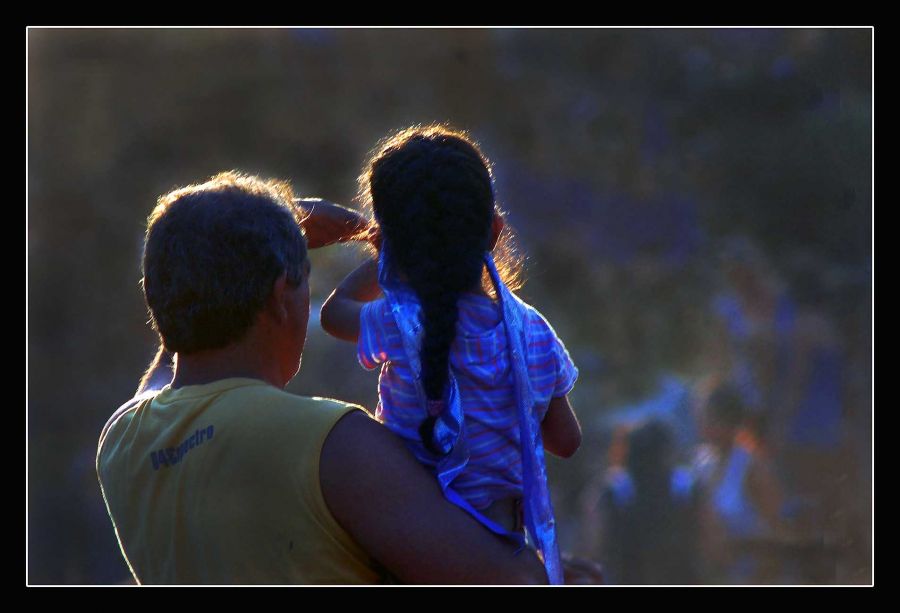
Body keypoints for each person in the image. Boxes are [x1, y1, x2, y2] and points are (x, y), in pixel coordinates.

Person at [95, 171, 552, 585]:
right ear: (280, 298)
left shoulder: (123, 442)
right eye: (303, 281)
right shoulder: (329, 444)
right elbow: (512, 582)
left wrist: (249, 245)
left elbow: (168, 359)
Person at [319, 125, 582, 584]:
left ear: (391, 245)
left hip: (407, 557)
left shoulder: (398, 323)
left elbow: (333, 313)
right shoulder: (534, 333)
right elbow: (566, 440)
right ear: (496, 231)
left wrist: (382, 256)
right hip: (501, 553)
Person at [599, 420, 704, 584]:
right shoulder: (684, 484)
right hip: (681, 575)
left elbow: (596, 539)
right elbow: (707, 534)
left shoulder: (616, 488)